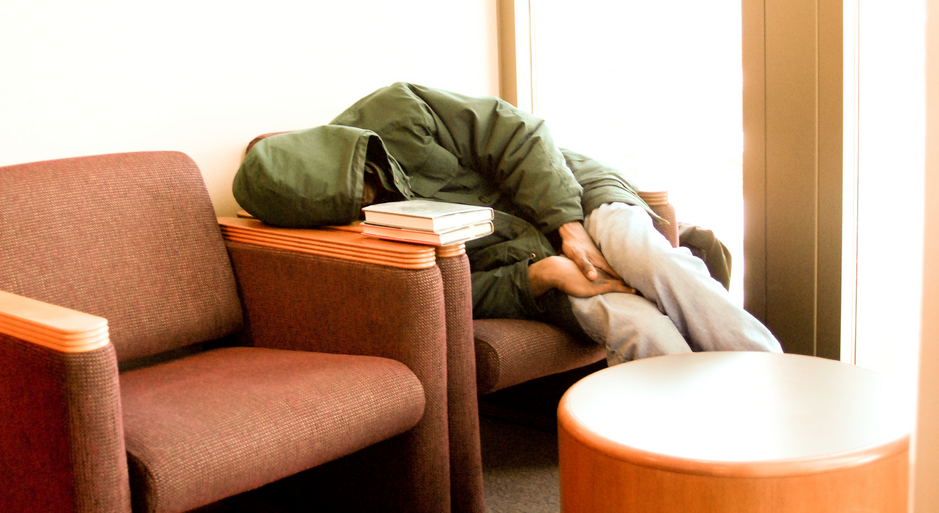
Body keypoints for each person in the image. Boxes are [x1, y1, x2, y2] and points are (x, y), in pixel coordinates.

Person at [233, 82, 782, 364]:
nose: (369, 198)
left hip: (576, 193)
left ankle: (773, 390)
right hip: (538, 264)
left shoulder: (397, 109)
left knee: (648, 256)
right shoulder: (355, 233)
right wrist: (541, 276)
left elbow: (519, 134)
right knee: (642, 328)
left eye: (367, 181)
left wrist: (568, 223)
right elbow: (452, 291)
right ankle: (695, 461)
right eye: (352, 203)